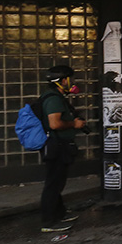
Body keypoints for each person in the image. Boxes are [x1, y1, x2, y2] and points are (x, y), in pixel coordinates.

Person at [39, 64, 86, 233]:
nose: (72, 82)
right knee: (53, 183)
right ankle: (49, 221)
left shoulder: (57, 97)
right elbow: (54, 123)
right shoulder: (53, 99)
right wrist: (74, 124)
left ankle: (60, 213)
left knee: (58, 181)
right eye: (69, 79)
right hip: (56, 146)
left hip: (60, 145)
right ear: (62, 81)